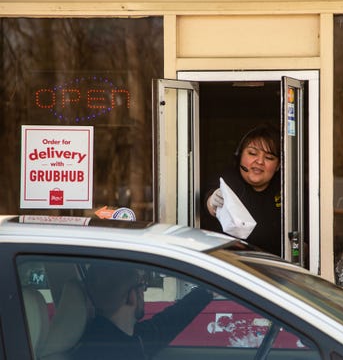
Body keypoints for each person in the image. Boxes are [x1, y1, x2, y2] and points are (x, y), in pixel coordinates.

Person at [73, 264, 212, 360]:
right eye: (142, 286)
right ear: (132, 296)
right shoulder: (116, 351)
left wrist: (207, 292)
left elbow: (167, 323)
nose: (144, 292)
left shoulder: (110, 338)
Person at [205, 124, 281, 256]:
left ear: (278, 166)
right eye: (252, 153)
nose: (260, 161)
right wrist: (212, 201)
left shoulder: (288, 188)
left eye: (269, 158)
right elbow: (209, 203)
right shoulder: (227, 180)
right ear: (239, 155)